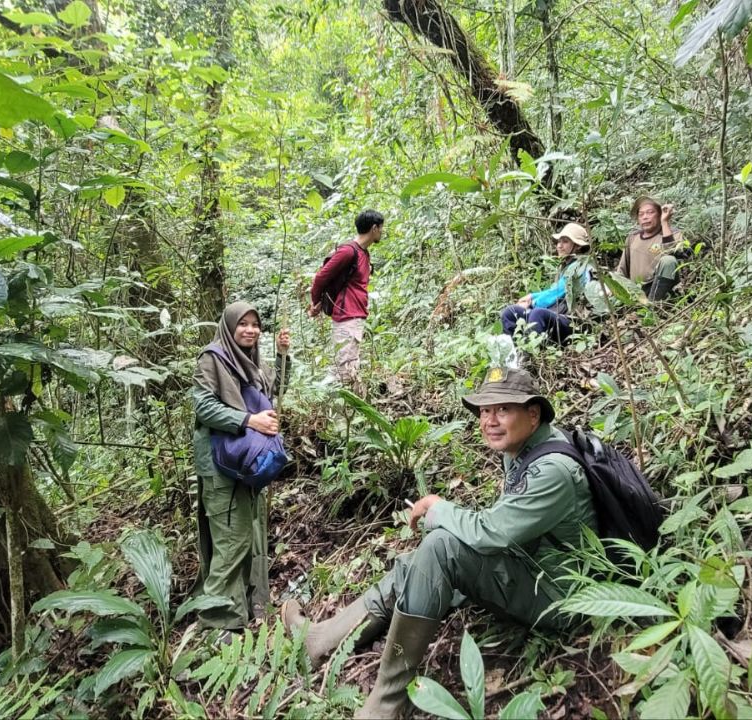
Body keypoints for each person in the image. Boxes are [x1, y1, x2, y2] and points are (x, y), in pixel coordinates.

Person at [281, 368, 594, 719]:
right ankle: (322, 639)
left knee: (441, 546)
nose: (489, 421)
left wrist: (439, 508)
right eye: (484, 411)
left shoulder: (552, 470)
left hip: (561, 598)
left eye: (503, 410)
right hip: (530, 567)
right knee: (428, 556)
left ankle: (387, 700)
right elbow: (504, 527)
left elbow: (493, 532)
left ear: (533, 414)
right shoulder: (525, 447)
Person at [191, 301, 290, 631]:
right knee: (230, 544)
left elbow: (271, 397)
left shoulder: (249, 362)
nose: (250, 329)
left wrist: (282, 357)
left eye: (255, 324)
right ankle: (218, 625)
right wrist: (249, 421)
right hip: (220, 466)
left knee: (248, 540)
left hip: (247, 464)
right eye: (243, 324)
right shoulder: (213, 358)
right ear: (229, 326)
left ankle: (248, 609)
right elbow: (204, 406)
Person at [309, 210, 383, 388]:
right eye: (381, 228)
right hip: (346, 316)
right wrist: (315, 303)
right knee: (342, 373)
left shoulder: (364, 254)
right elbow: (320, 278)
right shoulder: (348, 252)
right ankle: (328, 404)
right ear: (374, 228)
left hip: (355, 316)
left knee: (350, 368)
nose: (382, 232)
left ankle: (345, 411)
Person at [500, 222, 596, 344]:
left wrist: (531, 303)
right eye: (559, 242)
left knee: (537, 314)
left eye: (565, 242)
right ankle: (513, 354)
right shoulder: (566, 266)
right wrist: (532, 296)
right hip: (558, 314)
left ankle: (530, 357)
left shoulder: (579, 268)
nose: (559, 246)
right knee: (510, 312)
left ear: (577, 246)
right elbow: (554, 290)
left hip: (573, 320)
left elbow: (556, 293)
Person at [616, 197, 690, 301]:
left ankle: (652, 305)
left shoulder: (673, 233)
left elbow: (674, 256)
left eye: (650, 212)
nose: (645, 217)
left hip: (664, 289)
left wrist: (664, 222)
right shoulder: (632, 238)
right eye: (641, 214)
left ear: (659, 214)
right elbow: (622, 270)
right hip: (637, 291)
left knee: (668, 260)